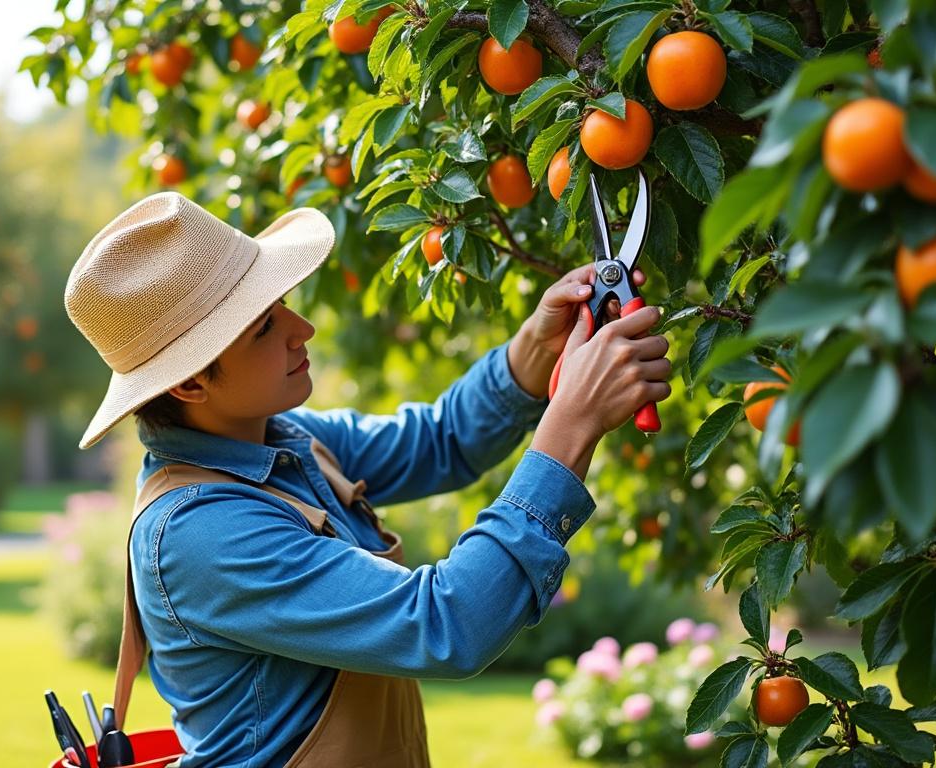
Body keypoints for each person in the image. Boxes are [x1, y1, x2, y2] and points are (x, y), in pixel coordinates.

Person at [61, 192, 670, 767]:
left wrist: (535, 352)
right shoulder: (202, 533)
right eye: (266, 327)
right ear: (190, 384)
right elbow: (445, 625)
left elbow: (440, 440)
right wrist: (570, 428)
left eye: (282, 306)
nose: (303, 329)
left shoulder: (283, 441)